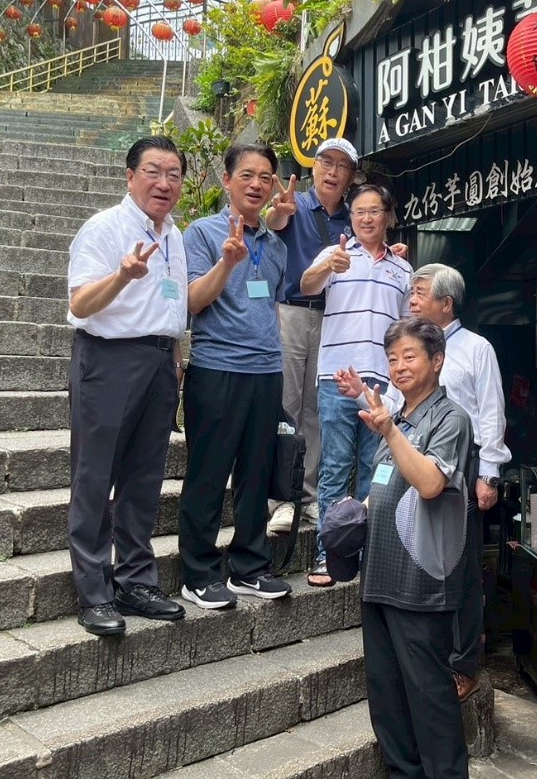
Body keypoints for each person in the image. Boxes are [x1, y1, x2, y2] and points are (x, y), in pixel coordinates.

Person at [337, 263, 509, 701]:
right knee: (423, 568)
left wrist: (489, 472)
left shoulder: (476, 348)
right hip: (410, 470)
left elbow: (489, 412)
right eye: (410, 293)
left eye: (420, 293)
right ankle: (425, 661)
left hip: (457, 472)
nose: (411, 299)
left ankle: (464, 664)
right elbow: (395, 406)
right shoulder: (408, 349)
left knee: (461, 571)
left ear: (446, 303)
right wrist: (361, 393)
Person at [65, 136, 189, 636]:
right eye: (154, 171)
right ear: (130, 175)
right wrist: (121, 275)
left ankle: (135, 580)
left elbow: (170, 305)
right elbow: (80, 305)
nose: (165, 183)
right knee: (96, 476)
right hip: (109, 359)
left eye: (174, 173)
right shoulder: (104, 228)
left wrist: (175, 360)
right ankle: (94, 591)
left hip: (161, 363)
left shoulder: (174, 235)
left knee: (143, 478)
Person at [263, 138, 407, 534]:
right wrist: (277, 213)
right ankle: (280, 500)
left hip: (333, 319)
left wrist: (390, 255)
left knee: (315, 413)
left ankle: (305, 497)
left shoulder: (351, 215)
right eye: (326, 162)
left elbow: (368, 251)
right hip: (293, 311)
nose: (332, 171)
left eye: (342, 166)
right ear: (314, 167)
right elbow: (274, 225)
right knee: (288, 407)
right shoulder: (295, 204)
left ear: (351, 176)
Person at [356, 317, 475, 779]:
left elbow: (429, 483)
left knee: (431, 707)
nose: (399, 366)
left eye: (409, 356)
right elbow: (383, 489)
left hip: (421, 585)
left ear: (437, 360)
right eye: (392, 358)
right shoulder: (398, 418)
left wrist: (389, 433)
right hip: (380, 579)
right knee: (388, 704)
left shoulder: (451, 420)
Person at [179, 142, 292, 611]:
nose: (257, 184)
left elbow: (267, 305)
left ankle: (249, 565)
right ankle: (199, 573)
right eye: (247, 175)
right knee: (208, 473)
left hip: (266, 371)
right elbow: (190, 302)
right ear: (226, 180)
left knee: (256, 473)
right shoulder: (202, 233)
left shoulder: (277, 245)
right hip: (216, 367)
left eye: (266, 177)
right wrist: (227, 260)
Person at [300, 183, 412, 588]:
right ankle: (327, 556)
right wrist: (328, 265)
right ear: (351, 218)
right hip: (335, 378)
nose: (366, 218)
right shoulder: (336, 256)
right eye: (359, 211)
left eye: (374, 211)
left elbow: (404, 330)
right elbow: (306, 286)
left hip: (380, 386)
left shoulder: (403, 270)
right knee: (333, 468)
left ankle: (368, 559)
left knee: (375, 472)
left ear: (388, 217)